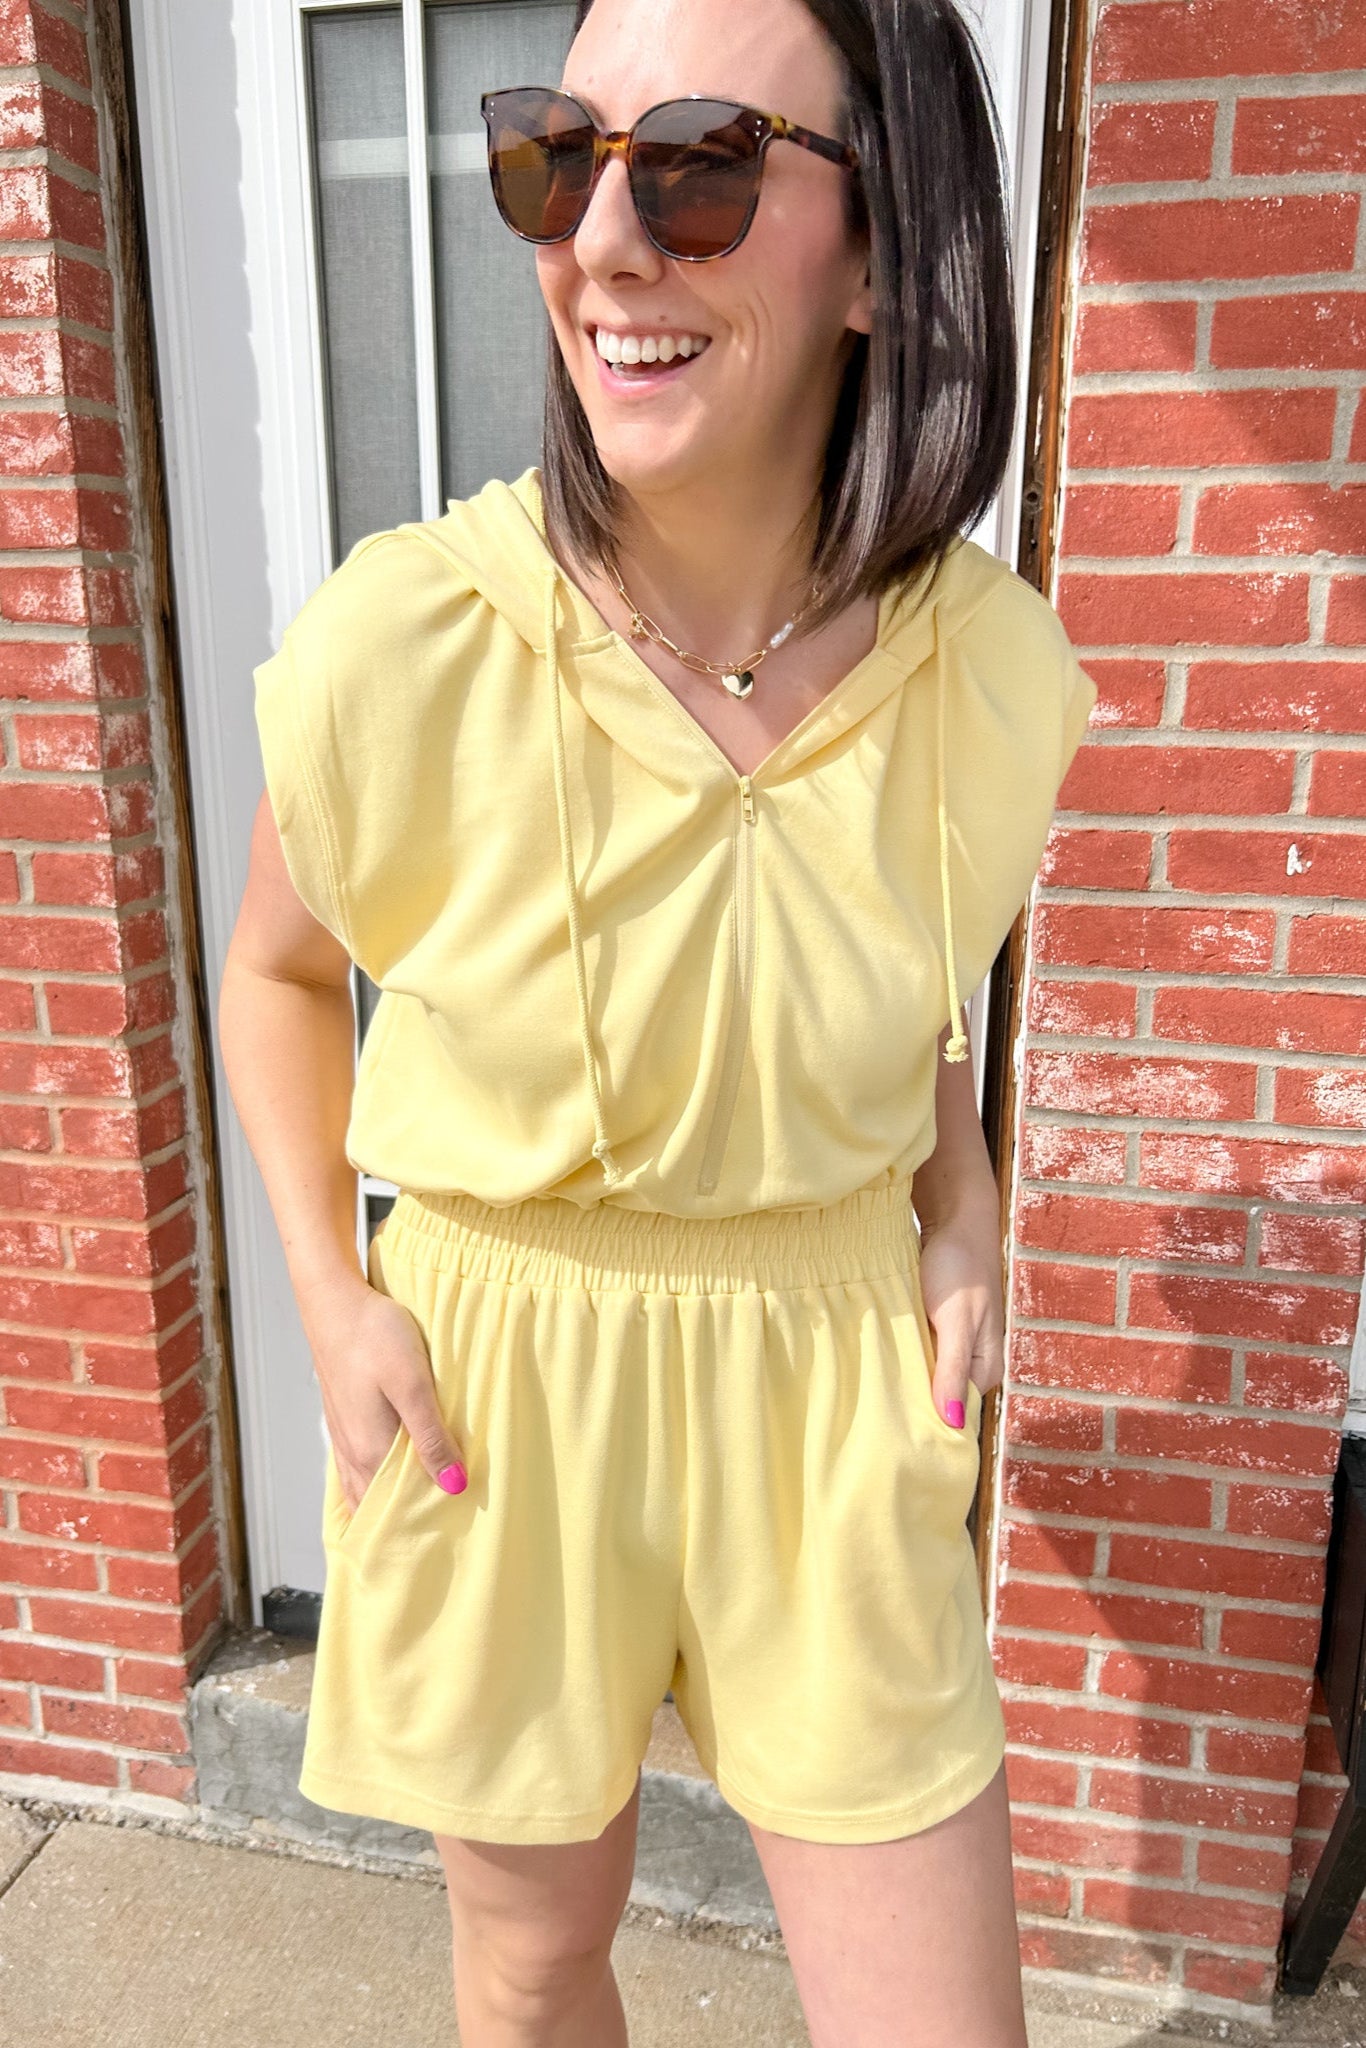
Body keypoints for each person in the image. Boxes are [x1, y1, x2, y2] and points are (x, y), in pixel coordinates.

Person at [219, 0, 1097, 2041]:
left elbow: (884, 983)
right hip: (503, 1383)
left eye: (701, 164)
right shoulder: (408, 639)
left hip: (822, 1379)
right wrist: (332, 1304)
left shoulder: (988, 679)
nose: (603, 241)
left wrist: (957, 1200)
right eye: (558, 156)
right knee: (535, 1969)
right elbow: (274, 969)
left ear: (881, 250)